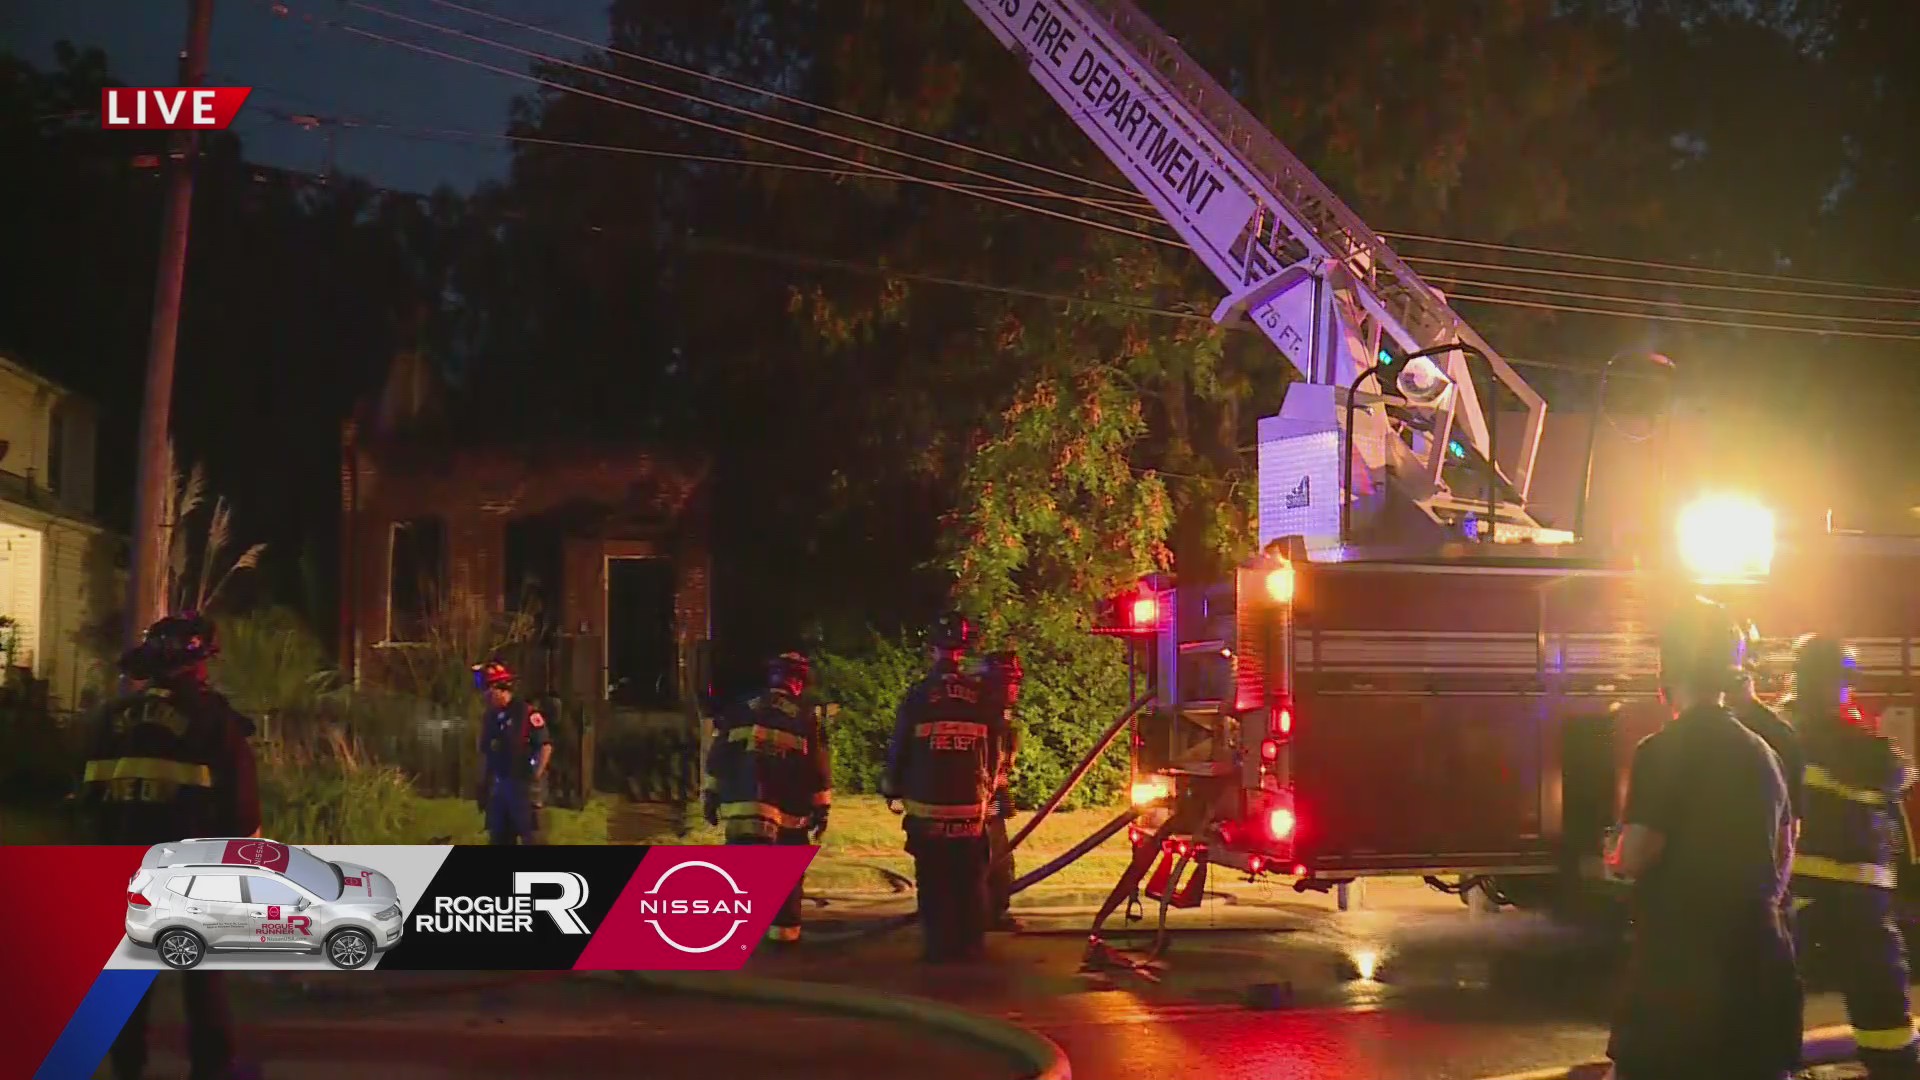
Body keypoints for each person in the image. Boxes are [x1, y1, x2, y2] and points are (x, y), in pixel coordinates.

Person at [1605, 596, 1801, 1080]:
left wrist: (1614, 856)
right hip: (1761, 973)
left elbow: (1638, 853)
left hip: (1683, 978)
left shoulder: (1662, 751)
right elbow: (1783, 852)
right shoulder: (1764, 754)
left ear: (1668, 672)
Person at [78, 612, 259, 1080]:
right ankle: (211, 1069)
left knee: (126, 982)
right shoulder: (215, 720)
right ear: (197, 665)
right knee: (202, 981)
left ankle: (127, 1069)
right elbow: (242, 813)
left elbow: (88, 800)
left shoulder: (109, 720)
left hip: (121, 866)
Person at [1786, 634, 1919, 1079]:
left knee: (1771, 1002)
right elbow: (1895, 778)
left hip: (1794, 898)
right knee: (1884, 1019)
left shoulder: (1778, 742)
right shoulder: (1869, 752)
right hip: (1862, 905)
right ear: (1844, 685)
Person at [882, 612, 1006, 963]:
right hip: (971, 810)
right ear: (964, 650)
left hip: (928, 810)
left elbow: (900, 748)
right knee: (969, 878)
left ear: (933, 649)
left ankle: (939, 945)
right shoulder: (982, 697)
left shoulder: (920, 696)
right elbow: (997, 753)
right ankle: (970, 944)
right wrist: (987, 794)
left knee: (934, 879)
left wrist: (892, 787)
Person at [702, 651, 831, 943]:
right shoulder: (804, 716)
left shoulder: (741, 709)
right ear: (797, 682)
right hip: (786, 813)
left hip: (740, 809)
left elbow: (719, 755)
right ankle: (783, 938)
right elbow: (818, 767)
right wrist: (821, 808)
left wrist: (711, 794)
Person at [473, 659, 551, 846]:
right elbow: (486, 752)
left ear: (500, 689)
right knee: (499, 837)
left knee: (531, 837)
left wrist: (535, 776)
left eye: (488, 690)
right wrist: (483, 784)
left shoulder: (526, 714)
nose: (485, 695)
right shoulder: (491, 717)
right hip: (500, 786)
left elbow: (545, 746)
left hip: (524, 786)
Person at [981, 649, 1024, 932]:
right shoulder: (984, 716)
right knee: (993, 854)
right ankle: (988, 912)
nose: (1014, 689)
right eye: (1009, 682)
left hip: (993, 796)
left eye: (1016, 682)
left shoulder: (1003, 717)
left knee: (1000, 854)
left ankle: (994, 910)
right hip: (983, 799)